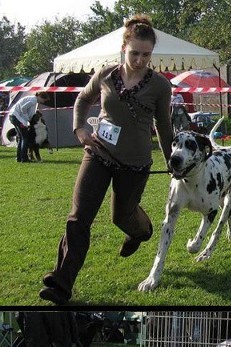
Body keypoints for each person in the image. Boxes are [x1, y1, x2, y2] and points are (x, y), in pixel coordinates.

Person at [39, 14, 173, 305]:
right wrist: (79, 128)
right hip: (98, 153)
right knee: (78, 218)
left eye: (146, 55)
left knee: (121, 217)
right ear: (123, 48)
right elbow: (82, 100)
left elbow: (164, 126)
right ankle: (60, 284)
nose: (139, 60)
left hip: (135, 164)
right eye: (134, 53)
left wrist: (172, 161)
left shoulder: (160, 86)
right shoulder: (104, 74)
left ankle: (142, 230)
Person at [8, 91, 50, 162]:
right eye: (43, 100)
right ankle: (24, 158)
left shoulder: (32, 99)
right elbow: (23, 108)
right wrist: (27, 119)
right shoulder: (33, 100)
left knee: (21, 138)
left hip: (13, 116)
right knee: (25, 138)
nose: (43, 102)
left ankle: (19, 158)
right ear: (40, 97)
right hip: (17, 117)